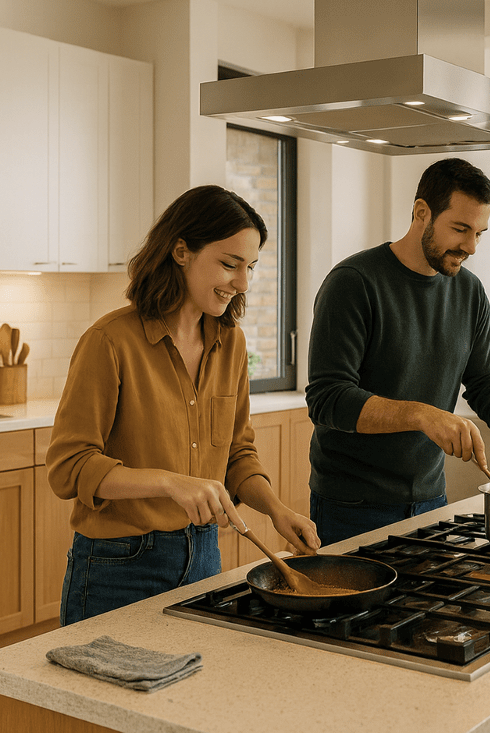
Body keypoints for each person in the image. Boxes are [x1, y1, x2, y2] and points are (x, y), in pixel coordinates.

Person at [48, 185, 320, 625]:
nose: (243, 283)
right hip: (118, 567)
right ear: (181, 251)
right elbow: (68, 467)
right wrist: (170, 483)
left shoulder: (230, 344)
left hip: (203, 559)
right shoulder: (109, 342)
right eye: (230, 264)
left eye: (249, 267)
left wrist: (276, 509)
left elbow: (237, 455)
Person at [305, 158, 490, 546]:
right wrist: (421, 415)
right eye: (460, 229)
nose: (470, 246)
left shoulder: (469, 292)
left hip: (432, 498)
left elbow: (486, 379)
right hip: (352, 507)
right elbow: (327, 399)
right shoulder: (353, 283)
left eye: (480, 233)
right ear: (422, 213)